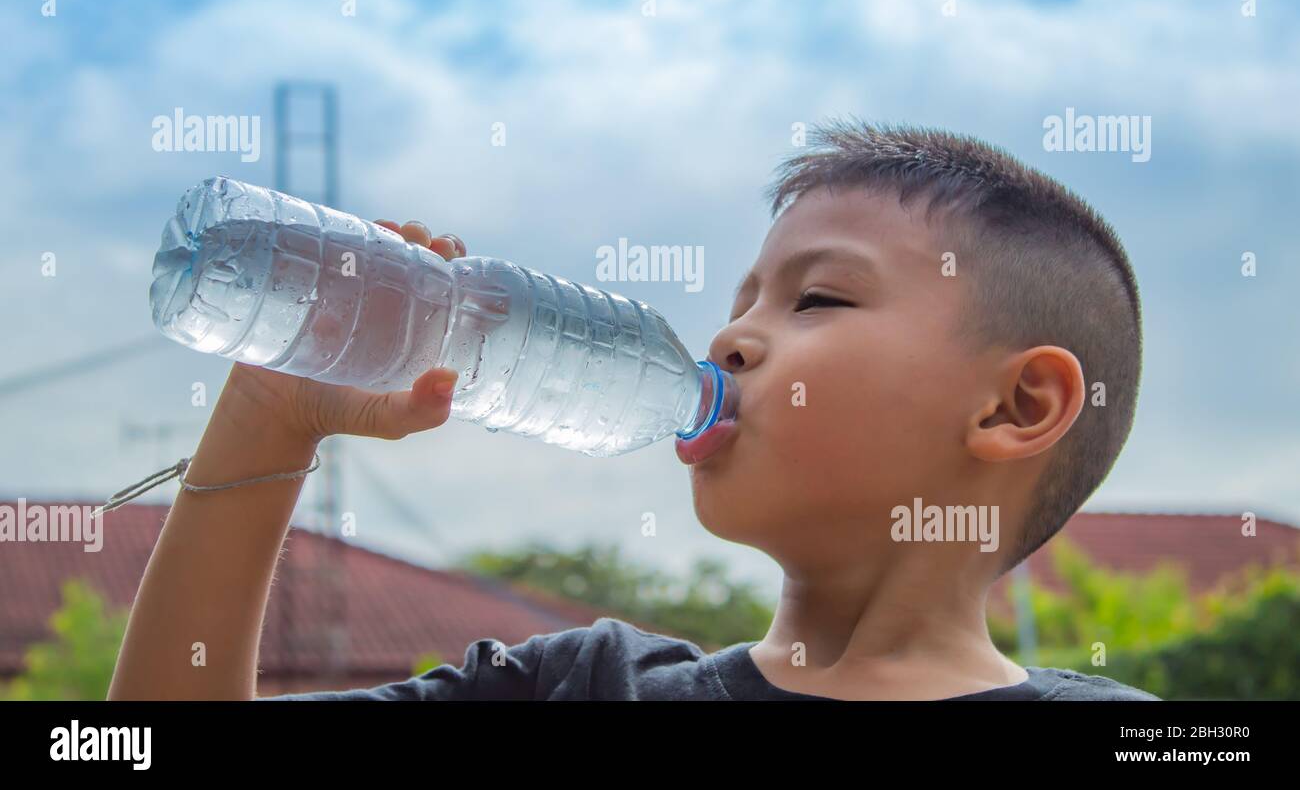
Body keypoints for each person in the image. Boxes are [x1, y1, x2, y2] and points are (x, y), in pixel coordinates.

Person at [108, 120, 1159, 701]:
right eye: (740, 300)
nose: (729, 340)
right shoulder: (575, 687)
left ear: (1019, 404)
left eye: (818, 298)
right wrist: (269, 412)